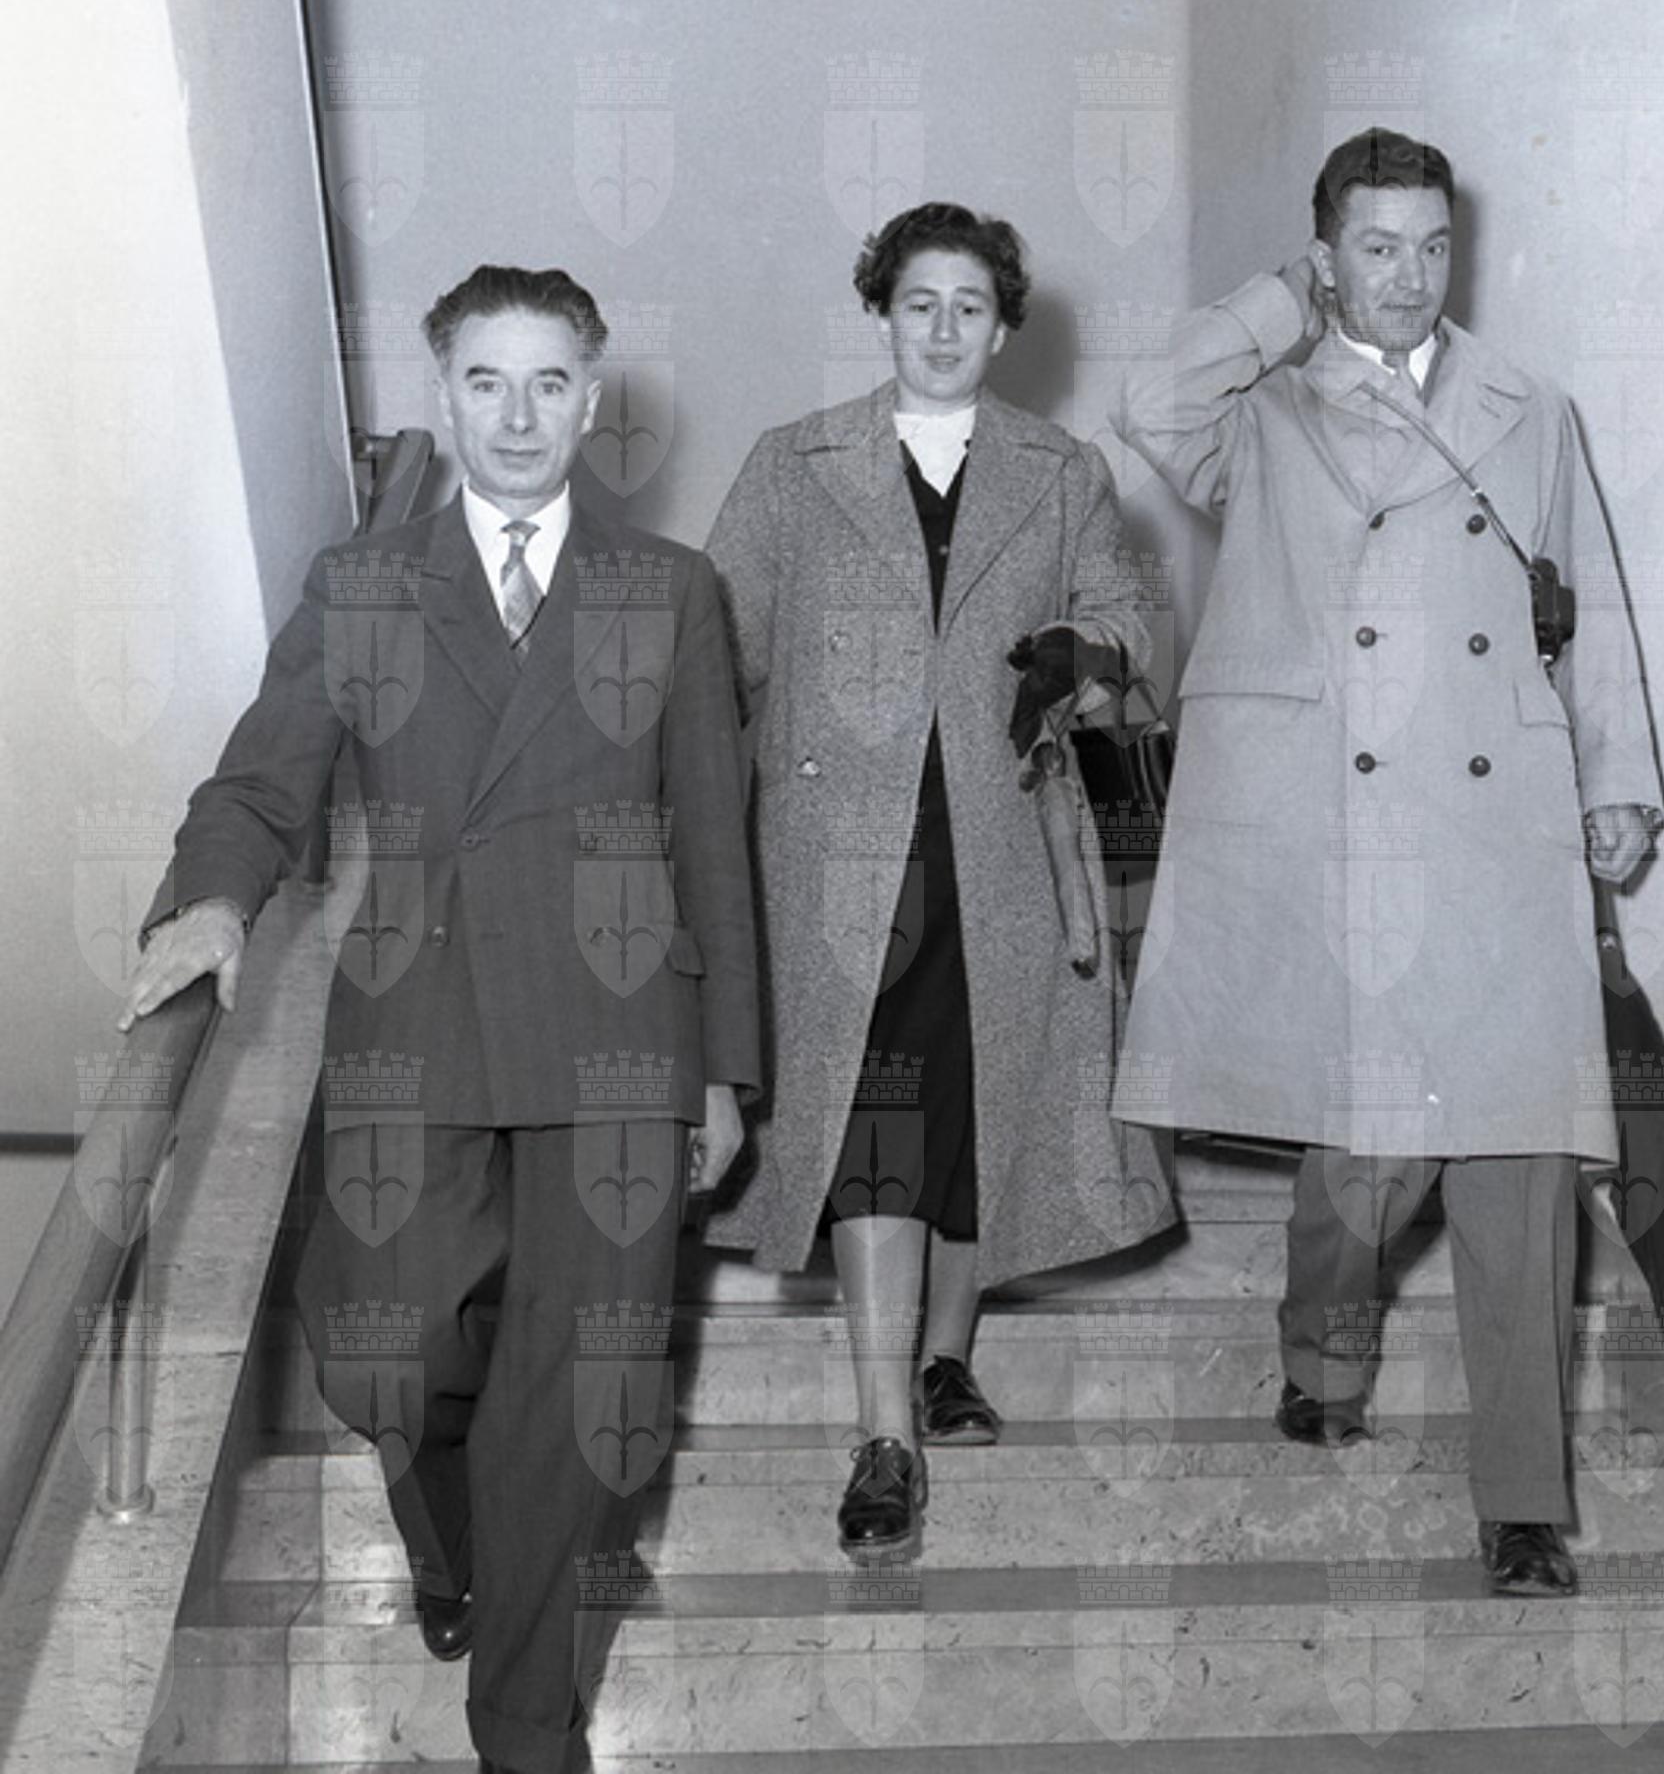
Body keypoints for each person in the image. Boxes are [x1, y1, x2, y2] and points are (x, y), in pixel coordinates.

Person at [118, 266, 760, 1774]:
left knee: (584, 1394)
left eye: (549, 384)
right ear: (443, 396)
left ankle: (526, 1728)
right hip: (417, 1027)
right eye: (486, 382)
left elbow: (713, 841)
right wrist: (210, 905)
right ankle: (457, 1527)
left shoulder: (670, 589)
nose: (518, 416)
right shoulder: (364, 584)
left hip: (616, 1041)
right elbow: (262, 780)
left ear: (591, 402)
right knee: (382, 1355)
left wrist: (727, 1068)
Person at [1109, 129, 1664, 1597]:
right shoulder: (1264, 409)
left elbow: (1588, 599)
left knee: (1522, 1153)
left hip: (1495, 815)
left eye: (1431, 247)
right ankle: (1323, 1355)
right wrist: (1277, 306)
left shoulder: (1527, 408)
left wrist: (1617, 777)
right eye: (1375, 248)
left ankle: (1522, 1500)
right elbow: (1147, 400)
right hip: (1342, 821)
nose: (1411, 277)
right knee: (1363, 1157)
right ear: (1325, 257)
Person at [705, 202, 1174, 1561]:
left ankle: (946, 1356)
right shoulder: (793, 465)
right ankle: (883, 1437)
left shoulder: (1061, 471)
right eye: (920, 302)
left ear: (1004, 326)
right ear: (882, 312)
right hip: (835, 865)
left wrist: (1086, 650)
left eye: (972, 305)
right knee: (875, 1120)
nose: (946, 328)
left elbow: (1133, 622)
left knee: (985, 1104)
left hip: (1001, 848)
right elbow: (714, 651)